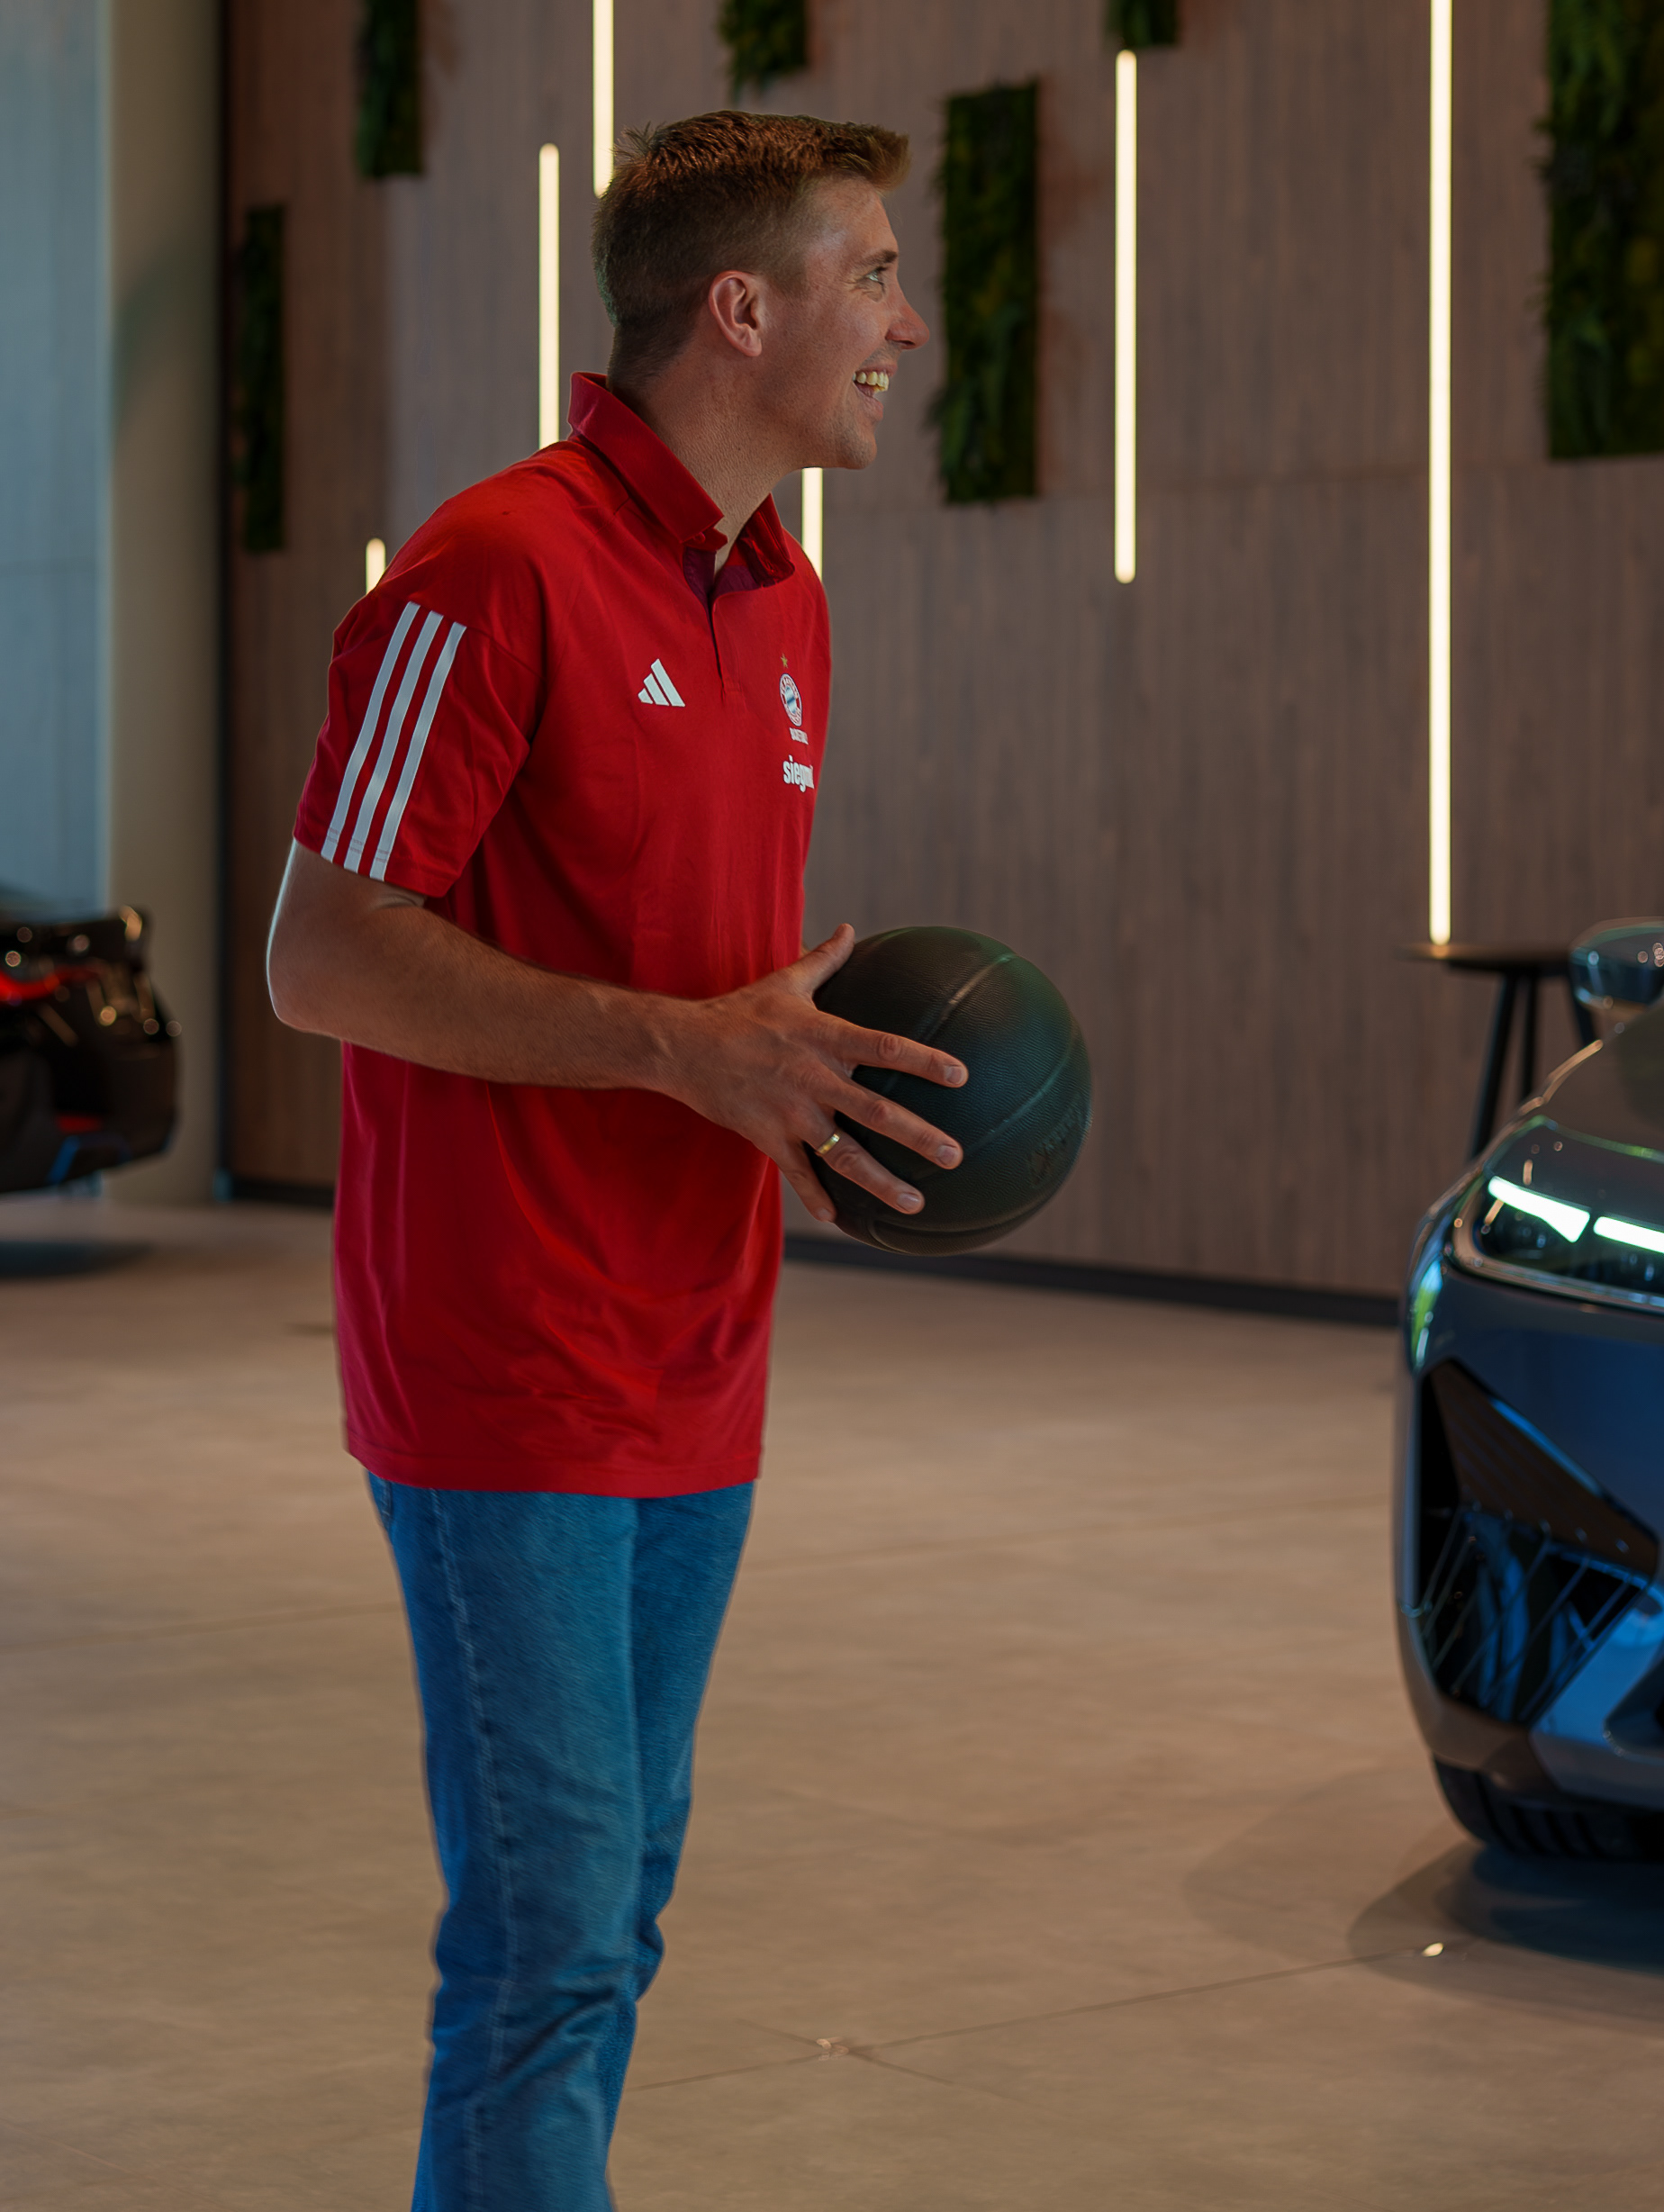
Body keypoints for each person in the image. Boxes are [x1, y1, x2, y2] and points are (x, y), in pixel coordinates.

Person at [266, 110, 961, 2211]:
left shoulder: (784, 602)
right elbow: (321, 952)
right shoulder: (492, 568)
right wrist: (684, 1046)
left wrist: (797, 1078)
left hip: (697, 1356)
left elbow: (697, 975)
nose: (907, 324)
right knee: (550, 1943)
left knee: (608, 1920)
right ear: (741, 307)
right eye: (871, 274)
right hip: (505, 1361)